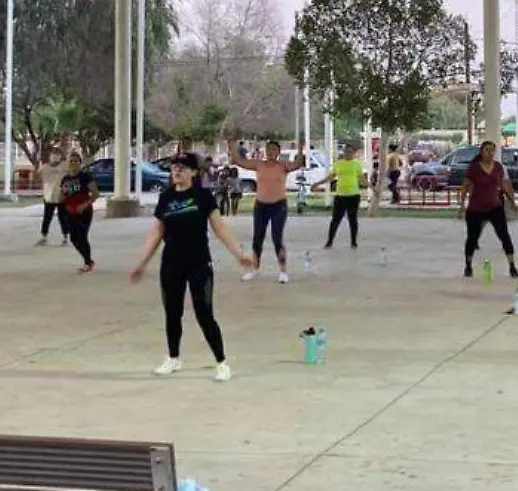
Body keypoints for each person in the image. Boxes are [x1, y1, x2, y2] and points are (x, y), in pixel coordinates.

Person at [129, 153, 256, 381]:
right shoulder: (166, 197)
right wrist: (142, 262)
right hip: (171, 263)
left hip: (198, 263)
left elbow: (219, 228)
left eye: (182, 167)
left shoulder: (203, 196)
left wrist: (239, 254)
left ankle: (222, 362)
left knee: (204, 313)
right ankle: (173, 358)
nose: (176, 171)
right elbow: (157, 231)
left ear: (194, 172)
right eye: (174, 167)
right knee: (172, 312)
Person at [229, 139, 304, 283]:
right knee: (257, 239)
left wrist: (300, 149)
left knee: (277, 238)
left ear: (278, 152)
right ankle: (254, 269)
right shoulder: (259, 164)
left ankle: (283, 271)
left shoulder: (283, 165)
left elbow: (297, 164)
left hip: (278, 206)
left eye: (274, 149)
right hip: (261, 206)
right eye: (268, 149)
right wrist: (232, 145)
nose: (270, 152)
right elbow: (238, 161)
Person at [459, 140, 518, 279]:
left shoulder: (498, 167)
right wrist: (462, 205)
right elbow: (465, 185)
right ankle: (468, 265)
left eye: (492, 150)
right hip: (476, 208)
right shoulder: (474, 168)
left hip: (495, 207)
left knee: (504, 236)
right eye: (487, 150)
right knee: (472, 238)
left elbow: (504, 186)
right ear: (481, 152)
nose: (490, 153)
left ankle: (512, 266)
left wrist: (512, 202)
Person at [317, 142, 365, 249]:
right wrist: (318, 183)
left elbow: (362, 179)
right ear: (343, 152)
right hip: (340, 195)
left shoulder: (357, 164)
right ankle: (329, 241)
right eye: (346, 152)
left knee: (353, 219)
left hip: (353, 195)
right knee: (335, 219)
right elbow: (331, 177)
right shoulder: (338, 163)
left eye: (350, 152)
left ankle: (353, 242)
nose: (348, 154)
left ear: (353, 153)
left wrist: (372, 188)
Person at [60, 162, 98, 272]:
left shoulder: (85, 177)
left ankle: (87, 262)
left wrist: (86, 204)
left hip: (84, 211)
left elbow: (95, 194)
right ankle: (89, 261)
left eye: (75, 161)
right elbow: (61, 196)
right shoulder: (65, 179)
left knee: (82, 236)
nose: (73, 164)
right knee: (73, 238)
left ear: (80, 164)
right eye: (70, 161)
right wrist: (62, 194)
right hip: (70, 211)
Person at [34, 149, 69, 247]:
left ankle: (65, 237)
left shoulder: (65, 166)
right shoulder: (45, 167)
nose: (55, 156)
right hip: (49, 195)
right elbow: (37, 176)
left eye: (57, 154)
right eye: (53, 154)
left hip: (62, 195)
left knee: (62, 217)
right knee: (47, 216)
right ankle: (44, 237)